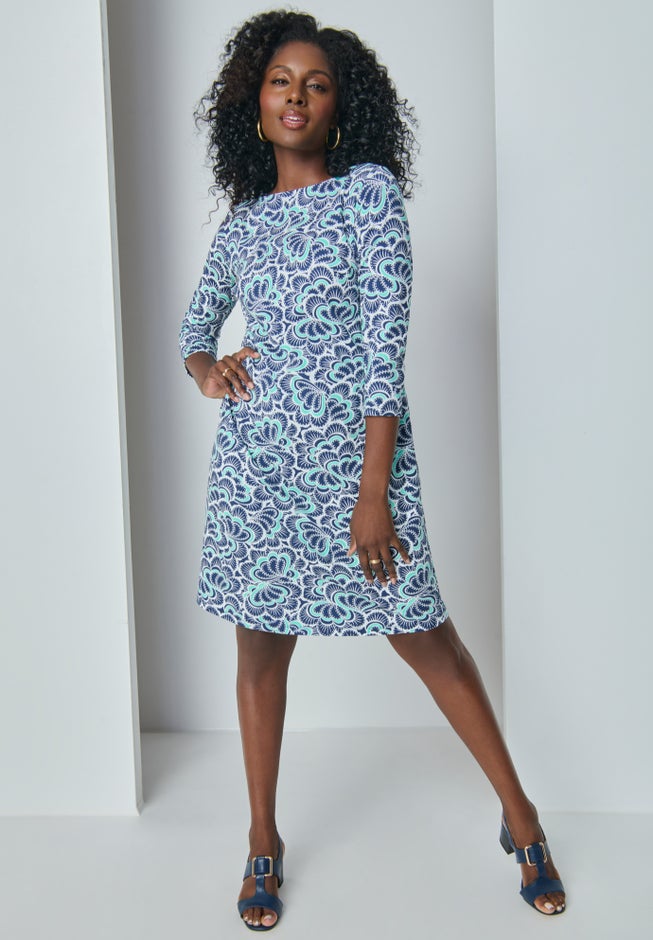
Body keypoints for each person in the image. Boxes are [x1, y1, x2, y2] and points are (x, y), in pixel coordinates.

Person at [179, 9, 566, 931]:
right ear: (253, 102)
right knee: (258, 653)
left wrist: (370, 492)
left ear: (339, 106)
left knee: (425, 636)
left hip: (358, 470)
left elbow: (383, 354)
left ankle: (520, 817)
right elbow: (194, 332)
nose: (296, 96)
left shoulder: (368, 195)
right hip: (259, 473)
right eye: (280, 81)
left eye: (315, 84)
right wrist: (209, 370)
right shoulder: (243, 226)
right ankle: (261, 840)